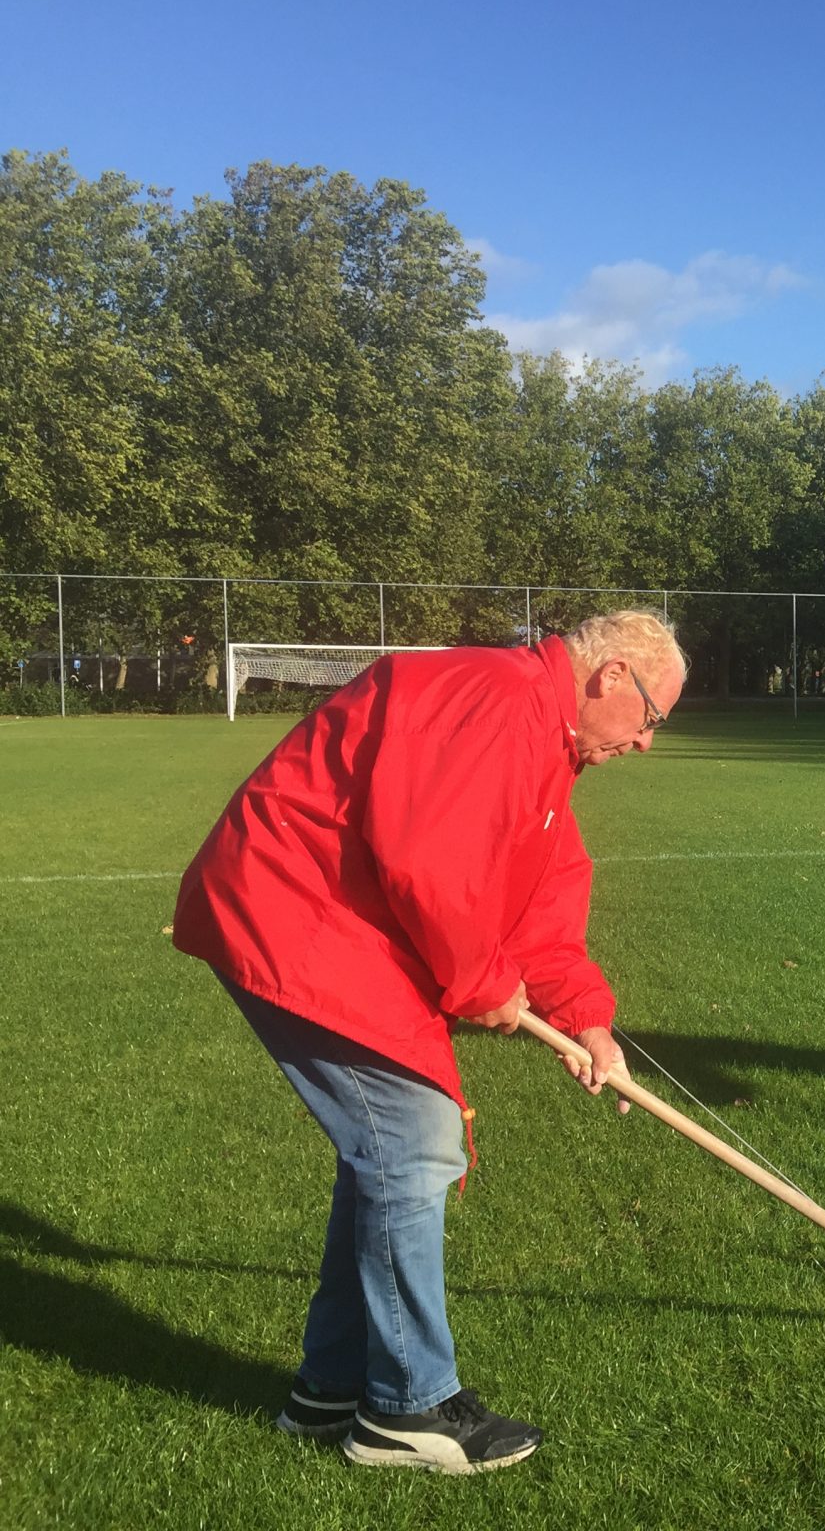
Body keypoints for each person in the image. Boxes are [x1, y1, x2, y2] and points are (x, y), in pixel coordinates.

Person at [173, 610, 686, 1474]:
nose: (645, 742)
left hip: (338, 928)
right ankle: (407, 1408)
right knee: (413, 1143)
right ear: (611, 678)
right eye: (651, 718)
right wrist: (483, 983)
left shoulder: (543, 744)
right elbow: (429, 859)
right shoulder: (496, 701)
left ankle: (331, 1387)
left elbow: (543, 903)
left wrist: (587, 1021)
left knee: (389, 1150)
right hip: (293, 915)